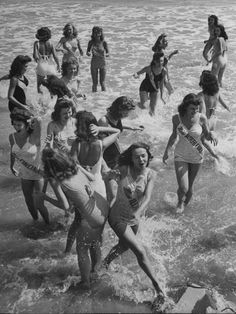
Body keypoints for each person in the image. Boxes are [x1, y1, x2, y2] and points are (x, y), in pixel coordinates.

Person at [103, 142, 165, 305]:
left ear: (148, 156)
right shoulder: (124, 168)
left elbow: (148, 198)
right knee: (140, 251)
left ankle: (105, 263)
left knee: (123, 247)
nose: (141, 159)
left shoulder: (151, 174)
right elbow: (107, 176)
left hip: (133, 219)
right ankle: (158, 288)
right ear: (131, 158)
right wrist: (111, 177)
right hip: (117, 217)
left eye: (143, 155)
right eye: (137, 156)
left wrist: (138, 213)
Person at [40, 147, 109, 289]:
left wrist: (45, 197)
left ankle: (85, 283)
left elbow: (65, 207)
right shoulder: (75, 167)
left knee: (82, 249)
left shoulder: (56, 180)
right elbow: (92, 177)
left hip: (90, 217)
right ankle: (96, 271)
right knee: (94, 243)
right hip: (102, 207)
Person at [162, 93, 218, 214]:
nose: (195, 111)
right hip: (180, 155)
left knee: (189, 187)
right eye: (192, 108)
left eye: (197, 109)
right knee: (183, 187)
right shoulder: (176, 118)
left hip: (196, 155)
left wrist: (212, 134)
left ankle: (185, 207)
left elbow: (206, 135)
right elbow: (173, 135)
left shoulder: (202, 118)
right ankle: (180, 203)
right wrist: (167, 150)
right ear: (185, 107)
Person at [9, 113, 49, 224]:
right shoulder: (12, 137)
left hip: (38, 174)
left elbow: (39, 120)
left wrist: (32, 118)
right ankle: (35, 222)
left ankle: (47, 224)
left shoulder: (34, 136)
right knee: (29, 203)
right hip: (25, 175)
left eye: (19, 125)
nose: (16, 127)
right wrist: (11, 166)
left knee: (39, 204)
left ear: (26, 125)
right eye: (14, 124)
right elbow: (12, 152)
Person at [98, 96, 144, 169]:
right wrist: (123, 155)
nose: (128, 114)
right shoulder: (104, 121)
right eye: (127, 111)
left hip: (114, 150)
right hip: (106, 154)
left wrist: (132, 128)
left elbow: (116, 126)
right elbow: (114, 139)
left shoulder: (116, 117)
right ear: (119, 109)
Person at [197, 70, 230, 159]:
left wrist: (201, 122)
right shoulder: (217, 92)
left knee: (203, 140)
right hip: (214, 119)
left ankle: (216, 156)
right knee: (208, 138)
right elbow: (222, 102)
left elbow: (202, 112)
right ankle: (218, 151)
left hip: (206, 120)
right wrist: (227, 107)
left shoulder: (201, 95)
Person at [133, 52, 168, 116]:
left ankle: (151, 124)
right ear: (154, 61)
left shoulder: (164, 71)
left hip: (154, 88)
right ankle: (135, 105)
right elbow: (137, 73)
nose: (160, 63)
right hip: (145, 86)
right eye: (159, 61)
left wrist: (161, 96)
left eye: (162, 61)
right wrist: (136, 76)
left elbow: (161, 84)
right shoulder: (149, 68)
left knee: (152, 110)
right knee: (144, 106)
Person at [33, 27, 60, 93]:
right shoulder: (51, 43)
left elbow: (35, 56)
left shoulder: (37, 43)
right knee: (52, 85)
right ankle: (52, 99)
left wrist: (37, 59)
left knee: (39, 85)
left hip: (42, 65)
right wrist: (58, 65)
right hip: (51, 65)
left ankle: (40, 102)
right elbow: (55, 56)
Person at [86, 26, 109, 92]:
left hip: (102, 63)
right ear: (93, 33)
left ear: (101, 33)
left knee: (102, 82)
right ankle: (94, 98)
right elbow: (87, 51)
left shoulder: (104, 42)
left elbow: (108, 52)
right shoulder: (91, 42)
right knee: (95, 83)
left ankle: (104, 97)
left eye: (98, 32)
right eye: (95, 32)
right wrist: (88, 53)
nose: (96, 33)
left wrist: (107, 54)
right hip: (94, 63)